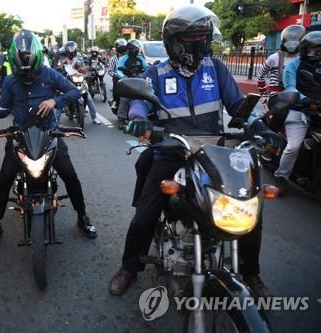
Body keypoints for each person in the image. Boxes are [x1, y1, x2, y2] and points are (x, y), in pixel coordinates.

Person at [108, 5, 280, 298]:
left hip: (213, 156)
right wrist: (137, 119)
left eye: (205, 37)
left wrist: (259, 128)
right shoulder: (157, 72)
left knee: (247, 210)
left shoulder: (215, 68)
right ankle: (129, 266)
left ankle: (250, 273)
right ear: (175, 42)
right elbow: (140, 103)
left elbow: (238, 105)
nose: (202, 44)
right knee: (145, 215)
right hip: (171, 152)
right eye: (195, 38)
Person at [0, 29, 97, 249]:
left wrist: (55, 101)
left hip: (49, 134)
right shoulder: (10, 81)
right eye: (23, 73)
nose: (28, 78)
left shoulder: (48, 73)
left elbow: (74, 91)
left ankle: (82, 216)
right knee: (4, 180)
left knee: (70, 175)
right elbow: (5, 109)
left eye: (31, 72)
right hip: (20, 136)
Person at [274, 31, 321, 194]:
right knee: (294, 146)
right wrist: (304, 99)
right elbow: (289, 87)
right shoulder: (293, 66)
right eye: (316, 49)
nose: (319, 52)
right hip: (299, 110)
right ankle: (281, 175)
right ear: (306, 49)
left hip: (319, 112)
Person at [257, 24, 306, 131]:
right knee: (283, 110)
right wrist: (263, 95)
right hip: (277, 96)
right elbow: (260, 76)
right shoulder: (274, 58)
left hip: (298, 96)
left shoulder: (304, 60)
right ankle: (271, 139)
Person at [54, 41, 102, 125]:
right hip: (67, 79)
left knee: (89, 97)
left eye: (73, 50)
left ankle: (94, 117)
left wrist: (86, 71)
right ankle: (55, 121)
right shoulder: (61, 56)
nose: (71, 52)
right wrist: (60, 70)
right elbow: (57, 67)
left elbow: (85, 65)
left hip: (79, 78)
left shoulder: (79, 56)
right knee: (62, 97)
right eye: (69, 50)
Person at [115, 39, 150, 130]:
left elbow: (146, 67)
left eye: (138, 48)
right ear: (130, 48)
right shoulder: (124, 58)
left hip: (139, 82)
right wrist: (124, 77)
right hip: (128, 82)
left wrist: (150, 70)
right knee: (124, 99)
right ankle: (121, 119)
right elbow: (118, 70)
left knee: (148, 96)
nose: (137, 50)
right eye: (135, 48)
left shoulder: (140, 58)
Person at [108, 39, 128, 115]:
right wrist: (117, 75)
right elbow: (110, 71)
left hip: (128, 78)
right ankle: (115, 102)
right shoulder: (113, 59)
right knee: (117, 93)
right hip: (118, 79)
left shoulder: (128, 57)